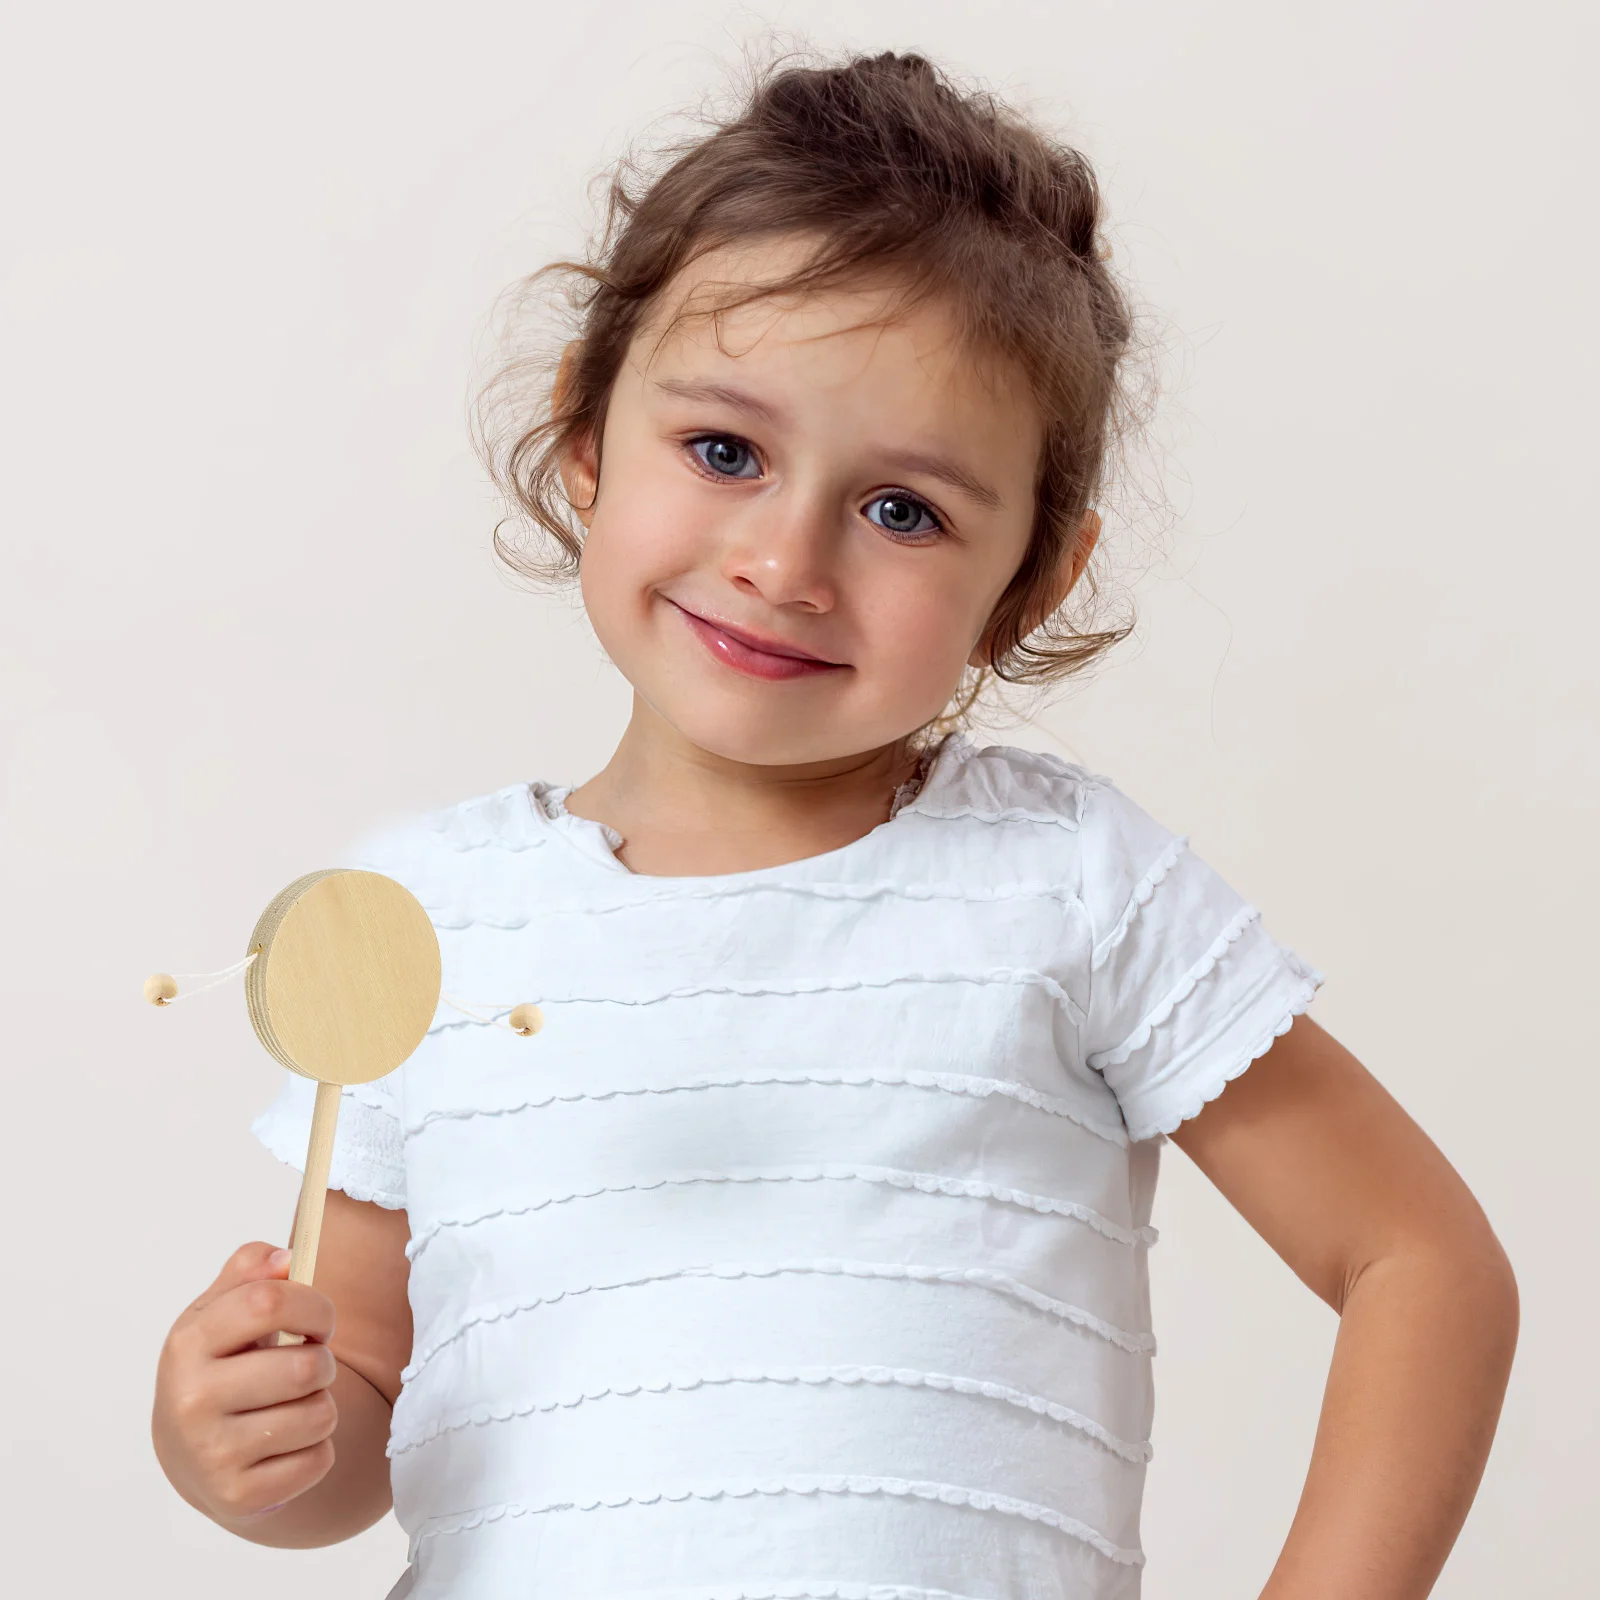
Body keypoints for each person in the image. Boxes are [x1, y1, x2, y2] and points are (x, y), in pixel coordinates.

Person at [150, 47, 1518, 1600]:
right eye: (724, 451)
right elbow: (357, 1438)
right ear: (587, 436)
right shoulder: (421, 920)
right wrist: (243, 1440)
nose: (786, 561)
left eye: (902, 511)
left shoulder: (1066, 882)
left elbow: (1423, 1267)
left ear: (1031, 585)